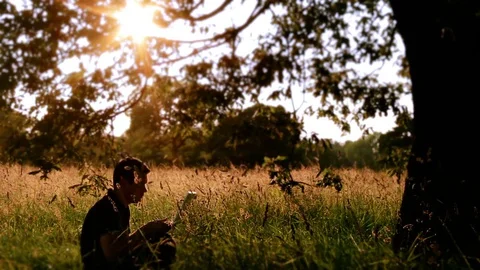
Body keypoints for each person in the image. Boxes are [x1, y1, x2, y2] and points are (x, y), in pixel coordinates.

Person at [80, 157, 176, 270]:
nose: (145, 190)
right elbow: (111, 254)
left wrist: (152, 232)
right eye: (140, 184)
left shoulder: (121, 207)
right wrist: (144, 231)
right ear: (123, 182)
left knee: (162, 239)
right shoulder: (107, 208)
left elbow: (123, 245)